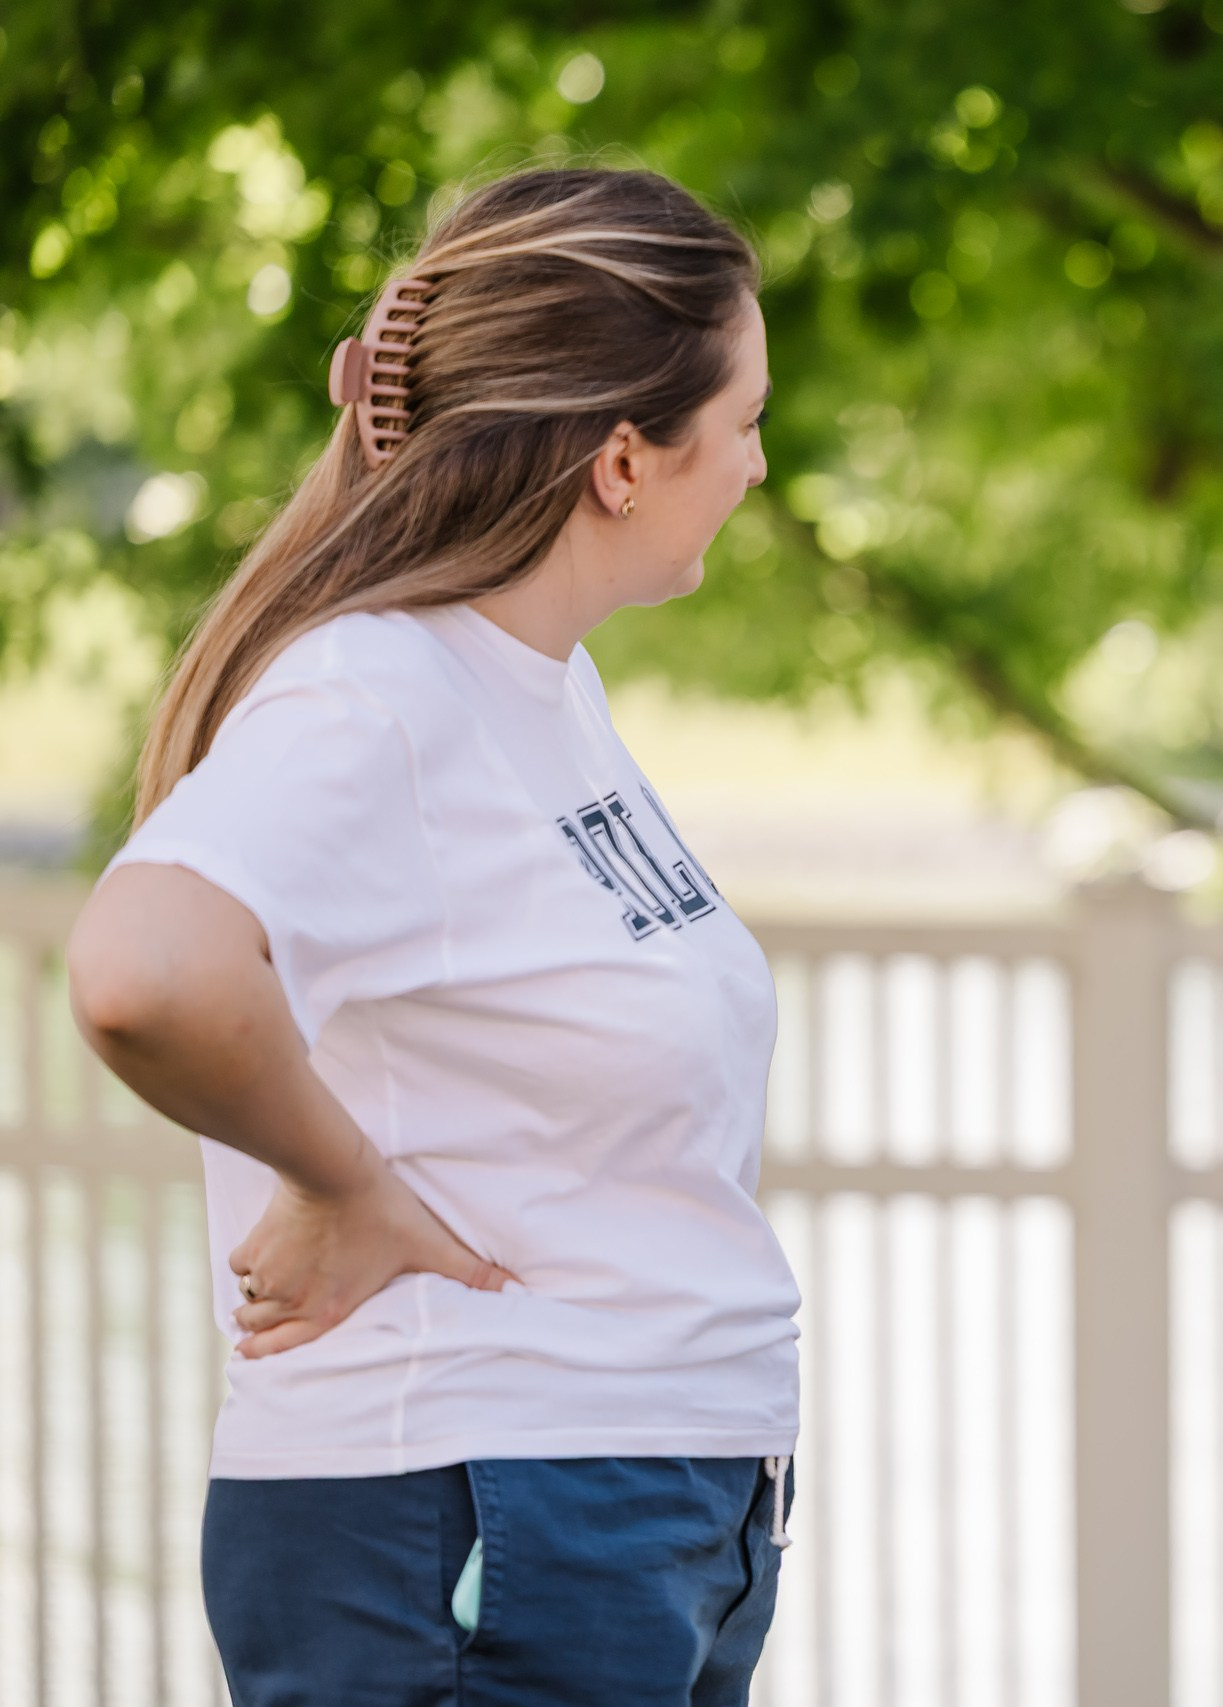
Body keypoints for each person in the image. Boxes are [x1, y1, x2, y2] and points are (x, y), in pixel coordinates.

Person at [66, 167, 798, 1706]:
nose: (754, 461)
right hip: (469, 1509)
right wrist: (348, 1183)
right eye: (740, 421)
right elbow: (146, 969)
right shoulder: (375, 696)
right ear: (623, 460)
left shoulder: (537, 686)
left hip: (629, 1512)